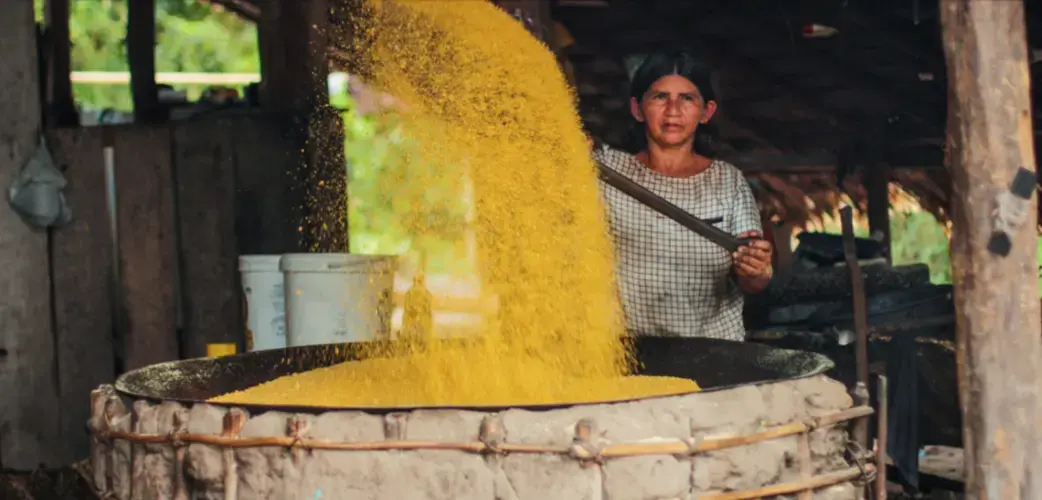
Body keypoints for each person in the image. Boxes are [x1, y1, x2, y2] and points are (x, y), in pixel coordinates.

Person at [591, 50, 774, 341]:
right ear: (638, 109)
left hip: (713, 351)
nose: (673, 110)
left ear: (706, 112)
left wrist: (756, 270)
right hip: (629, 350)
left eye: (687, 98)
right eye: (659, 97)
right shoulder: (604, 171)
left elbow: (753, 281)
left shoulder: (727, 182)